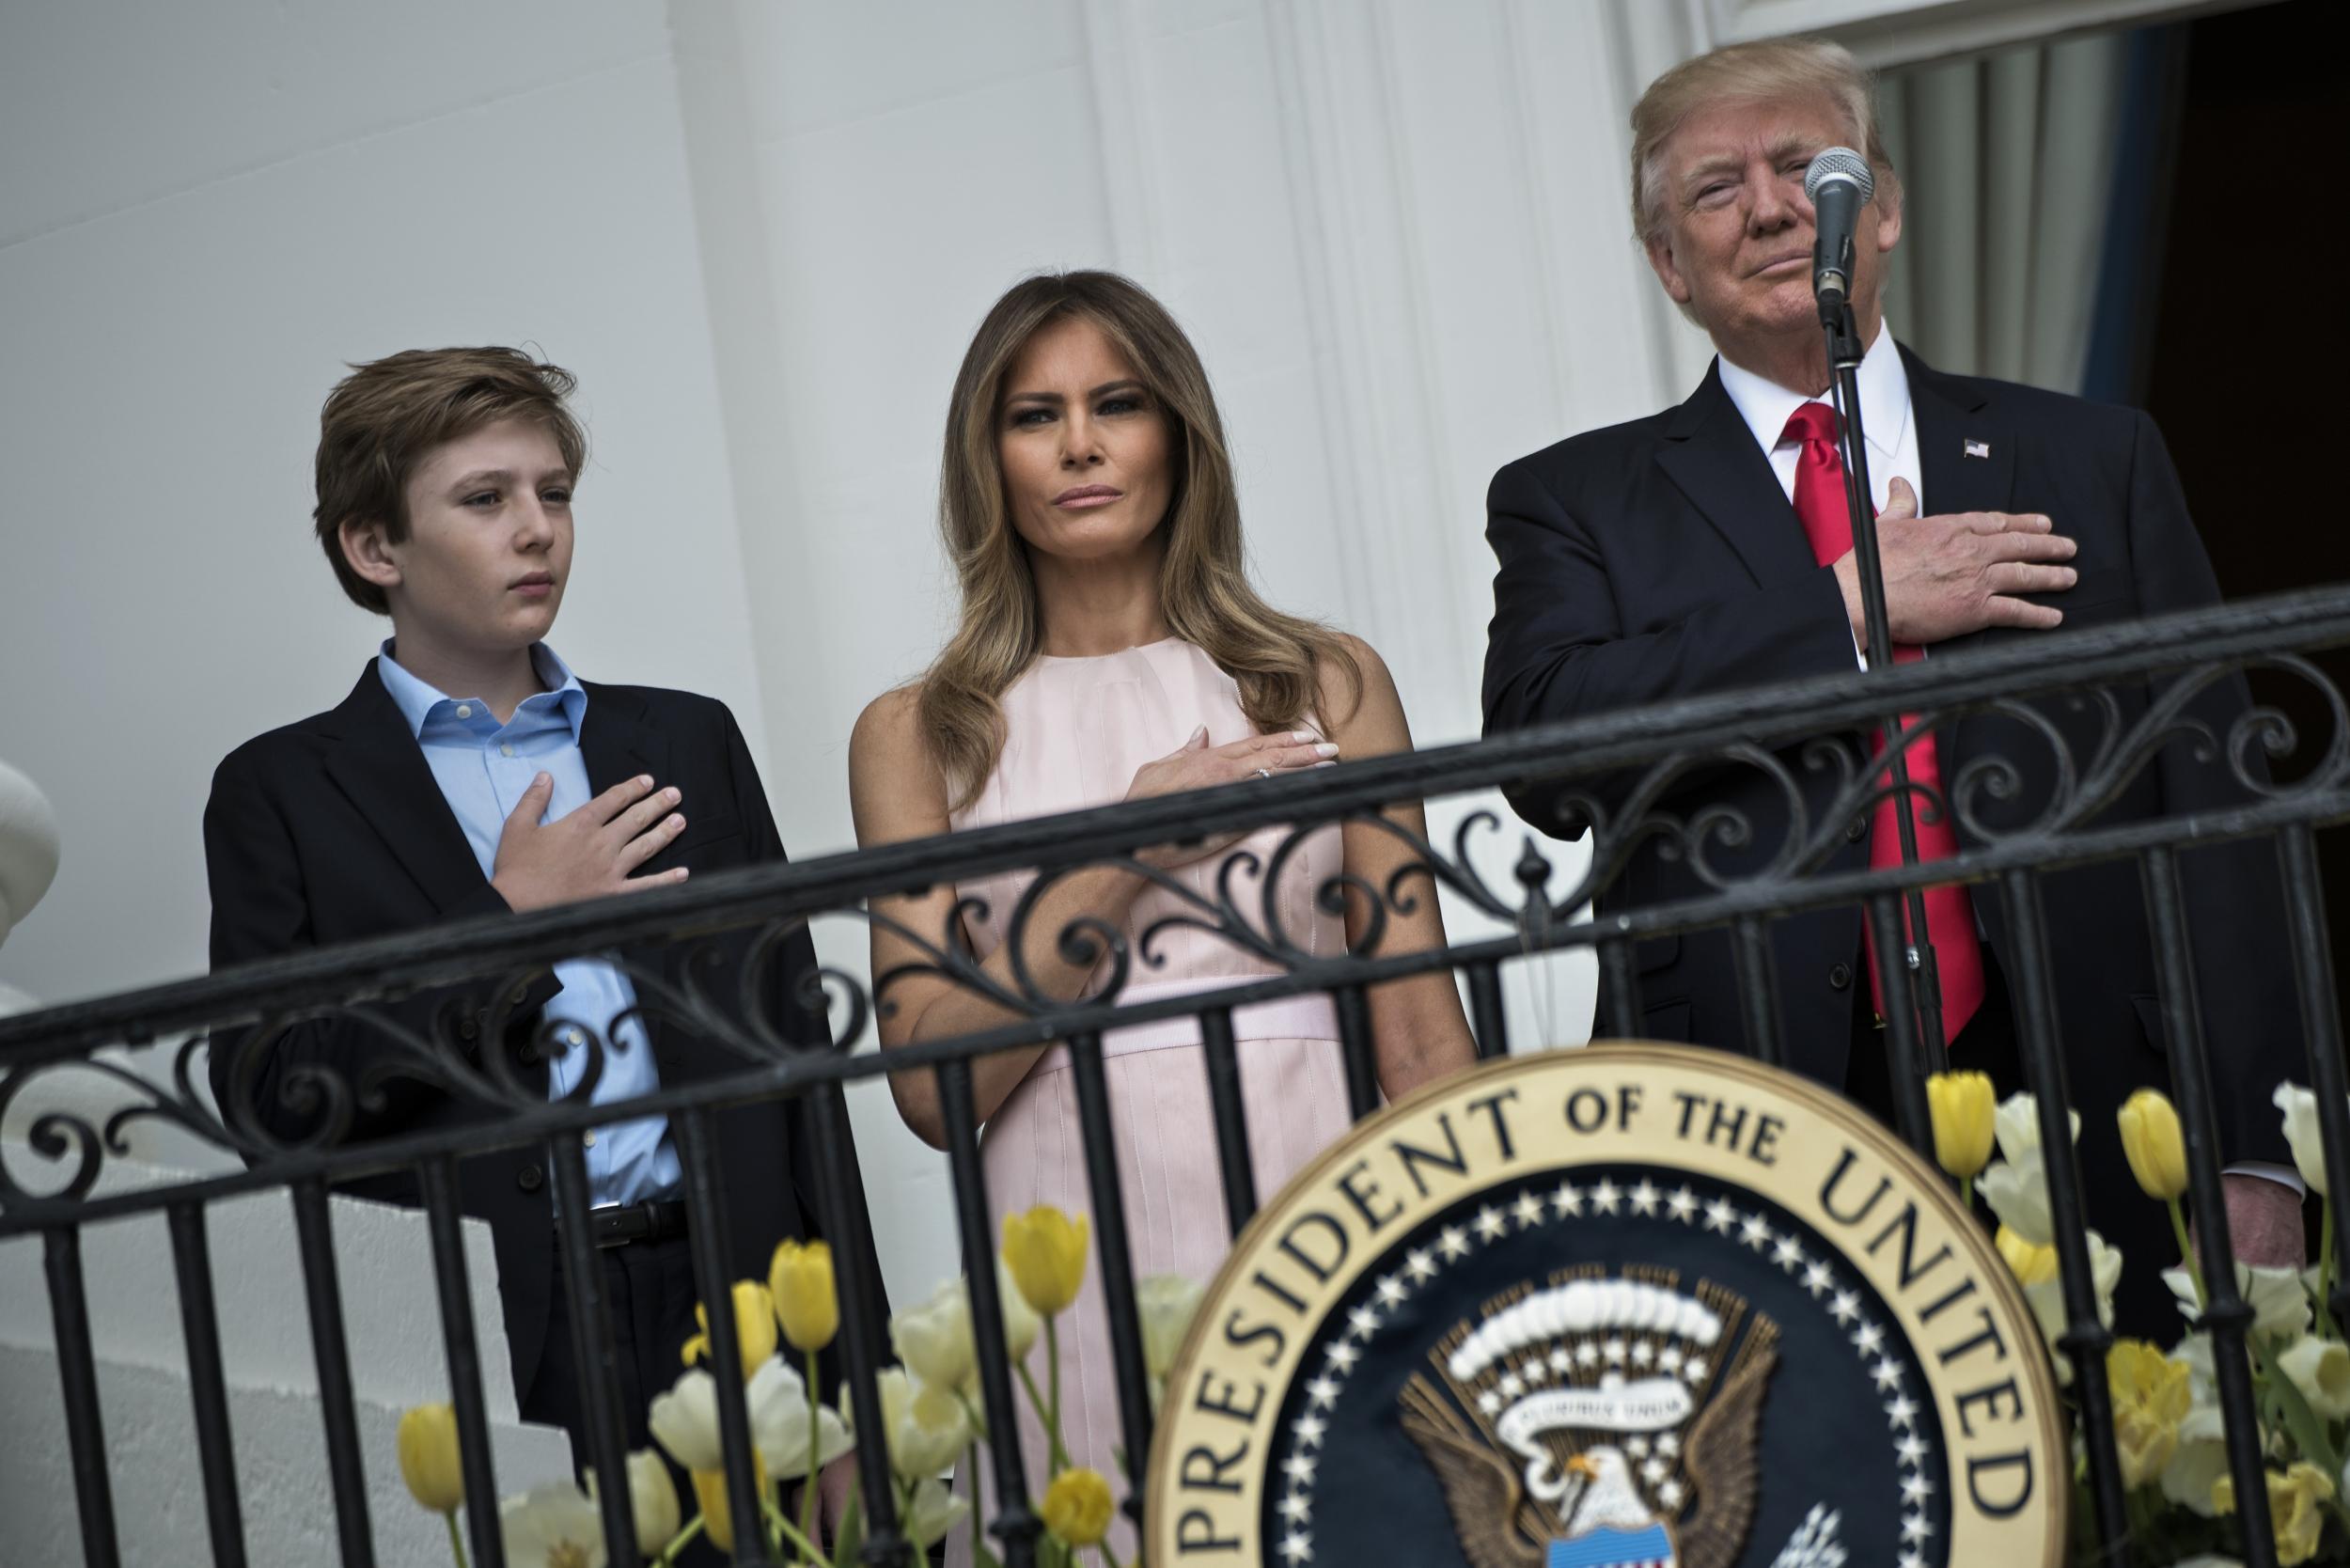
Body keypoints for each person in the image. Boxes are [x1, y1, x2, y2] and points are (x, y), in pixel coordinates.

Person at [1479, 39, 2305, 1333]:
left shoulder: (2093, 455)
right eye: (1714, 189)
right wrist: (1848, 610)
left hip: (2093, 1084)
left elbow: (2220, 801)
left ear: (1891, 211)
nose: (1768, 207)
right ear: (1666, 266)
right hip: (1759, 1106)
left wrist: (2260, 1145)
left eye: (1809, 168)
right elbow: (1546, 751)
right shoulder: (1577, 502)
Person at [850, 271, 1477, 1555]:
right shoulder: (918, 733)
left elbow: (1420, 1033)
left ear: (1178, 436)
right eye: (1035, 415)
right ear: (990, 461)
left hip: (1323, 1205)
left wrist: (1483, 1273)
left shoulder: (1326, 680)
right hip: (1068, 1238)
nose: (1079, 443)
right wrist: (1123, 850)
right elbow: (930, 1090)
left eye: (1116, 404)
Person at [203, 348, 876, 1527]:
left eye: (553, 493)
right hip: (490, 1330)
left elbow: (797, 1066)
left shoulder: (686, 741)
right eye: (485, 499)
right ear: (375, 549)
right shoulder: (281, 793)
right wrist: (509, 921)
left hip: (738, 1302)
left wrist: (856, 1384)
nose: (538, 530)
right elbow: (270, 1098)